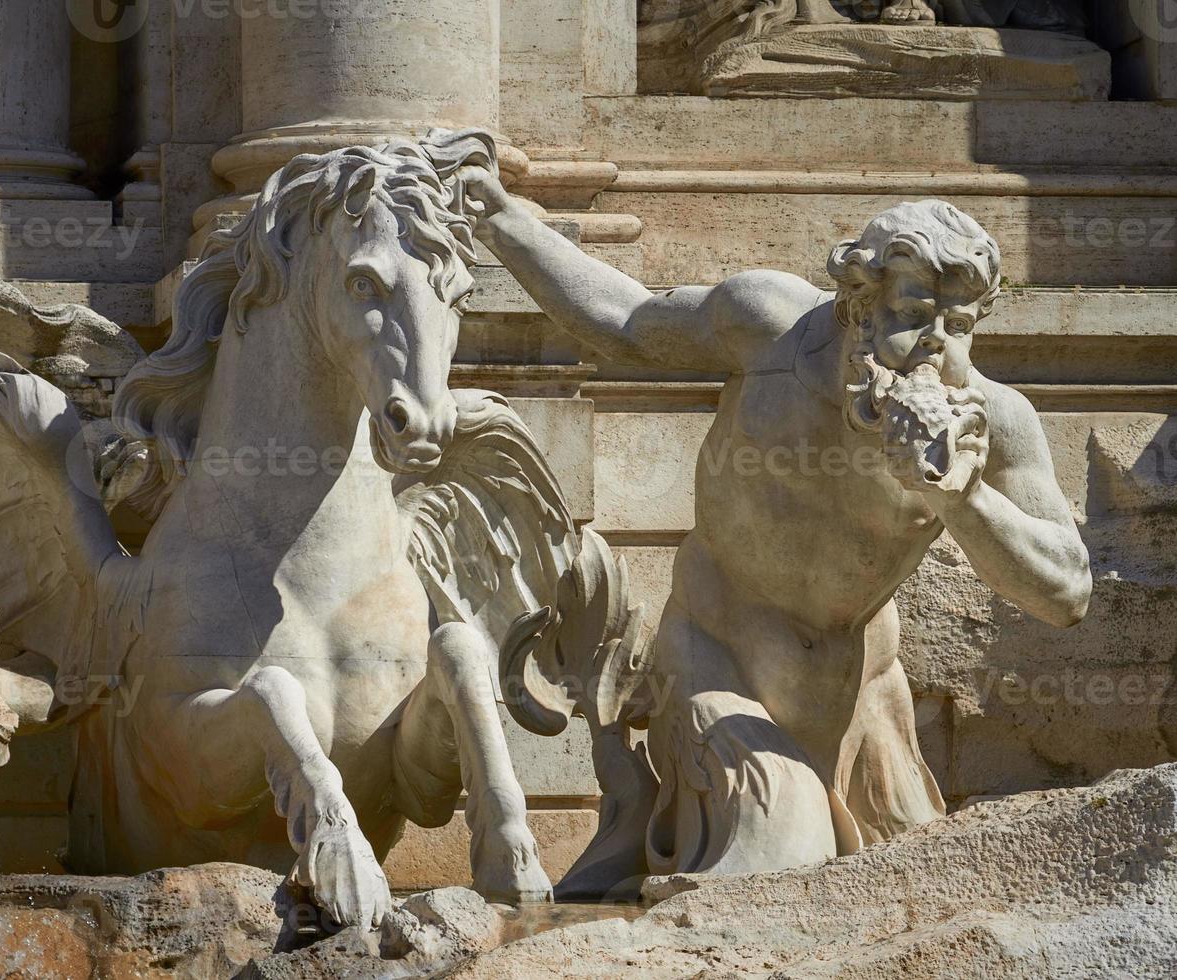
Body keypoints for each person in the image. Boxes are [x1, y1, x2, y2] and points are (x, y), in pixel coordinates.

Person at [459, 178, 1092, 874]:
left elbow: (1065, 591)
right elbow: (626, 320)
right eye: (915, 313)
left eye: (961, 326)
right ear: (859, 303)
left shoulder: (994, 422)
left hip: (860, 693)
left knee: (908, 889)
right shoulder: (767, 327)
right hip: (717, 662)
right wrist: (502, 221)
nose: (937, 348)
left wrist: (961, 497)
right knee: (780, 862)